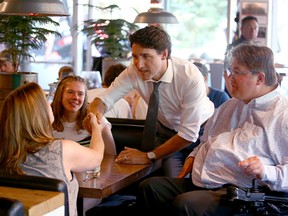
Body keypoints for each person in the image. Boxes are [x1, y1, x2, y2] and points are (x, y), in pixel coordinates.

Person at [137, 44, 288, 215]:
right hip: (206, 180)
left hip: (244, 192)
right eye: (231, 71)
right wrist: (193, 156)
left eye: (237, 72)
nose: (230, 78)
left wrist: (265, 170)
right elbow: (205, 140)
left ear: (259, 78)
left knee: (186, 204)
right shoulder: (230, 105)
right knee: (150, 188)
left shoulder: (282, 115)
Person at [84, 26, 214, 177]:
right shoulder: (133, 71)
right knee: (163, 177)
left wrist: (148, 156)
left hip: (203, 131)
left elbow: (189, 134)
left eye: (146, 56)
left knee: (187, 181)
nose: (139, 64)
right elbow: (105, 99)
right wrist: (93, 114)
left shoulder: (189, 76)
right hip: (168, 132)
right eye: (135, 57)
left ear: (164, 54)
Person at [0, 82, 105, 216]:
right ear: (38, 113)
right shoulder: (61, 150)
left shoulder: (4, 152)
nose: (49, 105)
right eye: (45, 101)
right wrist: (96, 129)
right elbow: (96, 158)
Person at [52, 75, 116, 156]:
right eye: (70, 92)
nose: (75, 97)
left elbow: (111, 157)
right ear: (60, 94)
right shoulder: (47, 119)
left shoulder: (97, 120)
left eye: (80, 94)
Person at [224, 15, 259, 97]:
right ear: (242, 29)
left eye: (255, 28)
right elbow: (228, 69)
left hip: (252, 87)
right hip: (237, 86)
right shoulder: (233, 47)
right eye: (249, 27)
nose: (253, 30)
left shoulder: (258, 48)